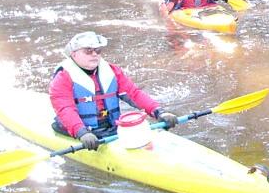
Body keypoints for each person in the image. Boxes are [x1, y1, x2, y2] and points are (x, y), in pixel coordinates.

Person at [50, 31, 179, 150]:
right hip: (81, 131)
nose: (94, 54)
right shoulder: (63, 77)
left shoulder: (112, 71)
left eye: (98, 50)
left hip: (110, 128)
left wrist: (159, 112)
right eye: (88, 51)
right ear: (74, 54)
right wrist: (81, 132)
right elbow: (65, 109)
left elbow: (134, 94)